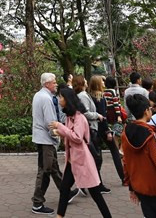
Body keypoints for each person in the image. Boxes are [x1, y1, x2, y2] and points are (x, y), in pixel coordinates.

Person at [49, 86, 113, 218]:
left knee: (95, 193)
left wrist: (59, 127)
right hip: (72, 161)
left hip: (82, 161)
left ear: (68, 100)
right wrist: (59, 131)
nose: (59, 99)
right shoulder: (70, 116)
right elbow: (70, 133)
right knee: (65, 189)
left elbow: (77, 137)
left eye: (61, 97)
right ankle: (60, 215)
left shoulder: (79, 117)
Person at [32, 72, 77, 215]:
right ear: (47, 84)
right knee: (45, 170)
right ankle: (37, 203)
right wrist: (57, 136)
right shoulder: (46, 98)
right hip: (46, 139)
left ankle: (66, 192)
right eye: (54, 82)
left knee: (53, 168)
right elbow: (50, 122)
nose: (56, 84)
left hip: (42, 138)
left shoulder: (39, 95)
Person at [72, 74, 106, 192]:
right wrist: (98, 115)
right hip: (90, 128)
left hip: (91, 128)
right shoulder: (83, 96)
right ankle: (92, 184)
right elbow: (85, 112)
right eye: (85, 80)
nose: (87, 82)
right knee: (96, 158)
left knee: (94, 157)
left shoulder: (84, 95)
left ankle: (93, 184)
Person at [91, 75, 124, 183]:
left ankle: (97, 181)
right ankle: (123, 177)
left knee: (97, 155)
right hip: (102, 128)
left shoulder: (90, 97)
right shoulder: (100, 97)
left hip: (93, 129)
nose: (104, 84)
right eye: (102, 82)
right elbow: (102, 116)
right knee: (114, 151)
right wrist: (107, 131)